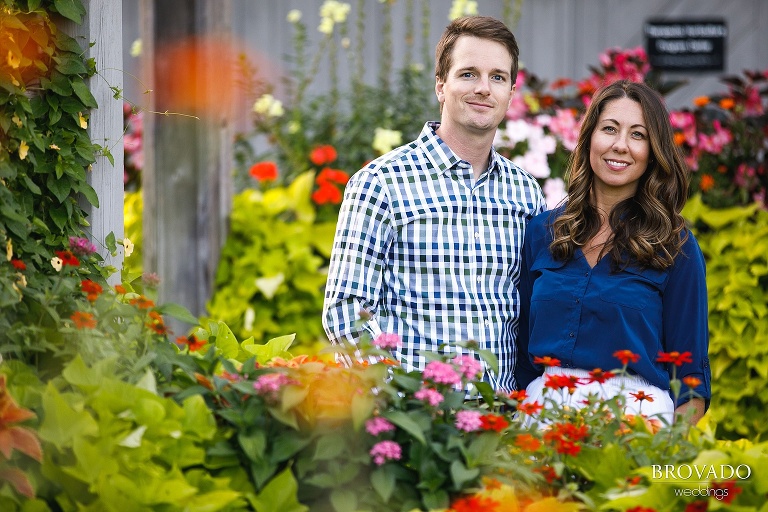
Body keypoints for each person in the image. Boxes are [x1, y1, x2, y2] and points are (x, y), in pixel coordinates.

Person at [322, 16, 545, 392]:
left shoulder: (525, 194)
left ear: (510, 92)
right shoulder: (381, 184)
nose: (484, 89)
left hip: (500, 422)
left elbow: (533, 309)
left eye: (497, 77)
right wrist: (400, 399)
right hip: (419, 426)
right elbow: (346, 312)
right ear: (441, 86)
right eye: (468, 74)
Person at [514, 80, 710, 426]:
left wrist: (663, 455)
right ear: (589, 137)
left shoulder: (675, 246)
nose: (620, 145)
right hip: (543, 420)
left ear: (653, 151)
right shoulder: (542, 234)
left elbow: (691, 381)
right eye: (609, 129)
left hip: (635, 423)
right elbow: (523, 360)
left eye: (638, 135)